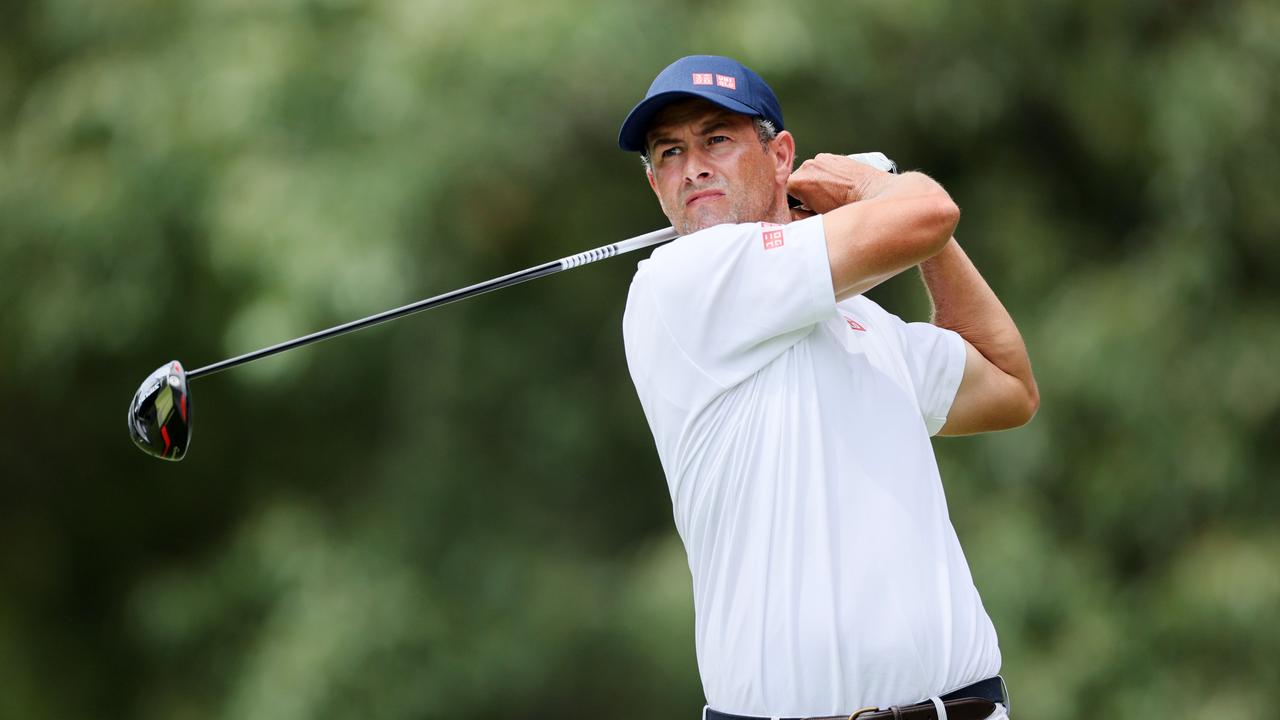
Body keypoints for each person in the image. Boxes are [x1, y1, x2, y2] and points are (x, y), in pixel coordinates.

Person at [617, 55, 1038, 720]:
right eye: (669, 152)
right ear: (655, 186)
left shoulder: (866, 321)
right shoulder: (677, 285)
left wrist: (912, 228)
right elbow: (930, 209)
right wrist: (878, 187)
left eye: (717, 139)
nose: (692, 165)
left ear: (779, 156)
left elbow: (1009, 385)